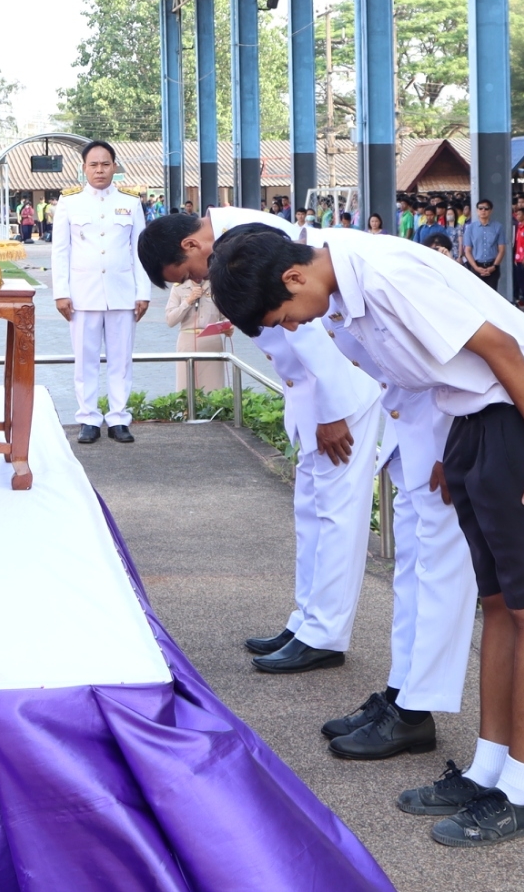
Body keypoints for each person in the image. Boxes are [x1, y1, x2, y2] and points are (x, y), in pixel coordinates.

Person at [207, 226, 524, 849]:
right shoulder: (340, 295)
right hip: (471, 418)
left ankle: (523, 793)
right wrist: (449, 451)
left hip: (520, 415)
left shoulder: (387, 276)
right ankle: (487, 771)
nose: (288, 329)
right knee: (496, 603)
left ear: (293, 278)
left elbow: (501, 349)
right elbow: (421, 376)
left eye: (281, 318)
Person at [136, 212, 387, 689]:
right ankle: (306, 620)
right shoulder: (232, 235)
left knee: (337, 516)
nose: (197, 281)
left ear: (192, 244)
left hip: (339, 394)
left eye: (188, 272)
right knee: (311, 511)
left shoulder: (253, 233)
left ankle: (326, 635)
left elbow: (311, 327)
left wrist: (332, 409)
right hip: (309, 394)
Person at [52, 141, 152, 444]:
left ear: (114, 166)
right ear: (84, 168)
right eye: (93, 164)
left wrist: (143, 292)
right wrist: (61, 292)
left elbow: (140, 251)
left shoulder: (131, 202)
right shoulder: (69, 203)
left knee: (121, 360)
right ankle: (89, 419)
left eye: (105, 164)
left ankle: (119, 418)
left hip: (122, 292)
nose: (99, 170)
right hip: (83, 293)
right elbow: (60, 252)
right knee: (85, 359)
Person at [165, 277, 230, 390]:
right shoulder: (179, 287)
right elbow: (170, 320)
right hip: (187, 343)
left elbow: (226, 317)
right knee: (186, 387)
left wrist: (228, 327)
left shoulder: (217, 286)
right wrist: (188, 300)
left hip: (212, 344)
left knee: (214, 388)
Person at [461, 199, 505, 290]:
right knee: (477, 295)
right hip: (476, 265)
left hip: (492, 266)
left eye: (486, 208)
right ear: (477, 211)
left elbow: (501, 250)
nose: (483, 211)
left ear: (491, 211)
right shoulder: (470, 228)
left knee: (492, 295)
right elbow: (467, 251)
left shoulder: (498, 227)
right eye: (480, 208)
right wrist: (475, 267)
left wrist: (494, 266)